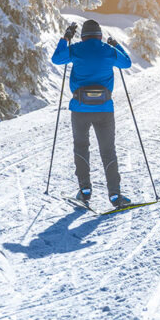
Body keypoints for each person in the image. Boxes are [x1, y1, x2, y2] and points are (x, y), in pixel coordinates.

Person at [51, 19, 133, 208]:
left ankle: (85, 191)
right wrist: (116, 45)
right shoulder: (108, 50)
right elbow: (126, 63)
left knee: (81, 147)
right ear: (100, 36)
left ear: (83, 36)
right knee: (108, 150)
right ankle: (115, 195)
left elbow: (56, 59)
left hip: (79, 109)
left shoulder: (77, 49)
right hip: (105, 109)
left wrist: (66, 38)